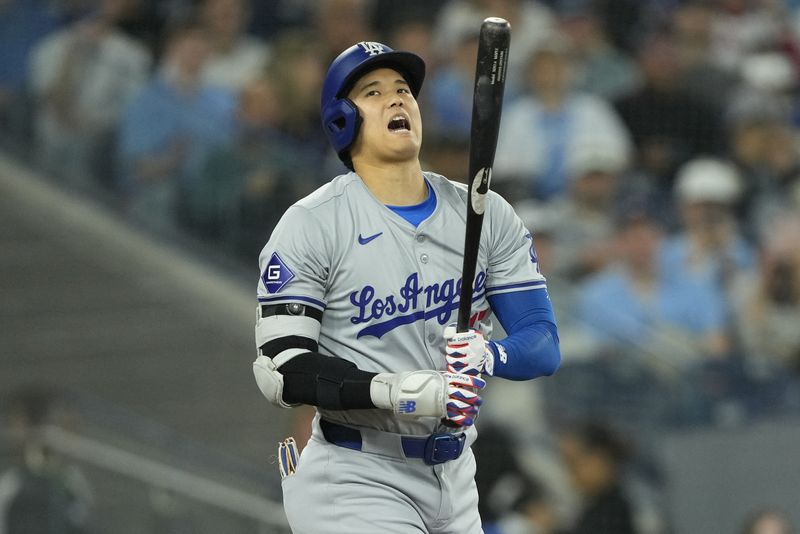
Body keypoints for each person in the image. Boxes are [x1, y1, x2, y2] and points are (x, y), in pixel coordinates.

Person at [252, 41, 561, 533]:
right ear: (341, 121)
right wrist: (398, 393)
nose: (396, 99)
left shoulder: (485, 213)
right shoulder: (312, 223)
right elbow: (283, 370)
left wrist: (490, 356)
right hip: (355, 472)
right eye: (372, 92)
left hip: (456, 473)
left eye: (403, 89)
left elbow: (543, 342)